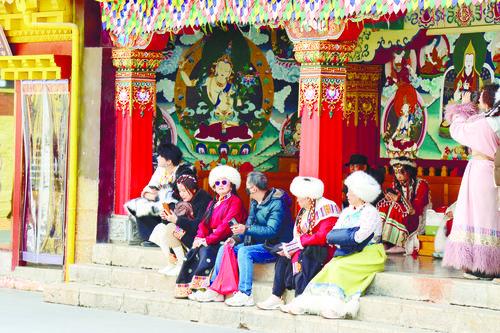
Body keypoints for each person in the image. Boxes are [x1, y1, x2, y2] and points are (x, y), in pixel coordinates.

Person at [280, 171, 386, 319]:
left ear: (361, 194)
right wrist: (344, 236)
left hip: (369, 252)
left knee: (338, 267)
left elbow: (358, 237)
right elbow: (332, 235)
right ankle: (305, 303)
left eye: (350, 192)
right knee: (329, 268)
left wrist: (342, 236)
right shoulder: (347, 211)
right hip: (348, 251)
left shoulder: (370, 212)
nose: (347, 194)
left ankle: (336, 307)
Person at [190, 171, 294, 306]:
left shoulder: (277, 203)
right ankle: (215, 289)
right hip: (260, 241)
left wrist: (246, 229)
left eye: (247, 188)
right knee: (226, 247)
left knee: (245, 252)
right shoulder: (255, 201)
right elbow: (249, 224)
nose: (247, 191)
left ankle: (245, 293)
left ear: (254, 188)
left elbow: (272, 231)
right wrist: (236, 238)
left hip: (274, 245)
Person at [443, 84, 500, 279]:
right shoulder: (494, 121)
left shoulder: (485, 123)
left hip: (481, 172)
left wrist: (462, 107)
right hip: (494, 172)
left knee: (478, 217)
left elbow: (457, 130)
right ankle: (493, 264)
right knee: (493, 217)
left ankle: (481, 266)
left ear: (487, 100)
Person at [257, 176, 340, 311]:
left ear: (308, 198)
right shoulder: (304, 211)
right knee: (283, 256)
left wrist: (297, 245)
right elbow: (298, 236)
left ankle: (300, 299)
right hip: (305, 246)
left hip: (322, 251)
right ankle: (276, 296)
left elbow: (323, 236)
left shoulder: (327, 207)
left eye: (299, 197)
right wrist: (290, 247)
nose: (297, 200)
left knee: (303, 256)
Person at [175, 165, 247, 298]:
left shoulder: (235, 202)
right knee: (193, 251)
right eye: (217, 183)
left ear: (231, 185)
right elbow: (204, 223)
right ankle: (190, 288)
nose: (220, 185)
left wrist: (207, 240)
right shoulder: (213, 203)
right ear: (214, 186)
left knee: (206, 251)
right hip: (212, 237)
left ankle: (204, 289)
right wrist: (199, 237)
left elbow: (226, 226)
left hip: (227, 238)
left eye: (224, 182)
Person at [124, 143, 196, 246]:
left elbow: (175, 194)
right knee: (138, 204)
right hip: (161, 202)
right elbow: (148, 188)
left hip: (179, 206)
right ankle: (152, 238)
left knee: (167, 206)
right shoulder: (161, 169)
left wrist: (160, 195)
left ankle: (169, 238)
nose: (157, 158)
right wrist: (154, 196)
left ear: (169, 161)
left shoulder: (185, 171)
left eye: (160, 156)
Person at [148, 175, 212, 276]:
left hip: (198, 239)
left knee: (171, 228)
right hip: (186, 235)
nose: (181, 194)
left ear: (193, 189)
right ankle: (172, 263)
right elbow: (177, 221)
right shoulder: (186, 201)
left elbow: (198, 226)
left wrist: (176, 220)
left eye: (184, 190)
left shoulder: (204, 200)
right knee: (160, 228)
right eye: (180, 191)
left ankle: (181, 265)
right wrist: (166, 217)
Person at [377, 157, 430, 254]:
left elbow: (415, 210)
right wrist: (390, 198)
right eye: (396, 173)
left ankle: (399, 242)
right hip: (403, 216)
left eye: (402, 172)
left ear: (410, 172)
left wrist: (400, 200)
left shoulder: (421, 184)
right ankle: (383, 240)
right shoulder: (396, 184)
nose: (399, 176)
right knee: (385, 205)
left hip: (416, 218)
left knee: (396, 206)